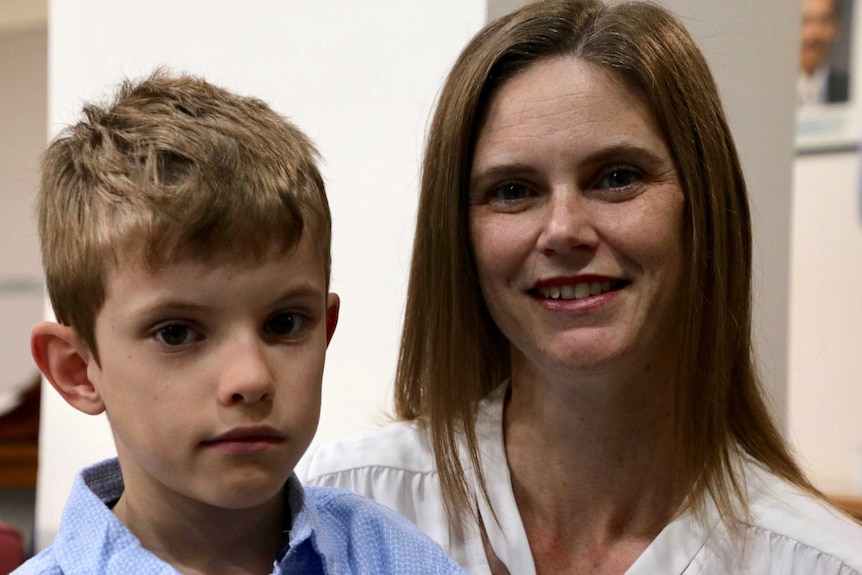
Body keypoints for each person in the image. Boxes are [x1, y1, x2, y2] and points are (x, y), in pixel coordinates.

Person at [298, 1, 862, 573]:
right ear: (458, 236)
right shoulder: (336, 516)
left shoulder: (822, 562)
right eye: (513, 191)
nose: (564, 231)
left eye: (618, 178)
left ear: (703, 212)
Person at [15, 70, 464, 575]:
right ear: (78, 370)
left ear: (326, 330)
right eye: (177, 333)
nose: (251, 379)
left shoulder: (391, 555)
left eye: (285, 323)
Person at [798, 0, 849, 105]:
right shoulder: (767, 89)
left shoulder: (851, 90)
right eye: (805, 21)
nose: (815, 33)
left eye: (825, 21)